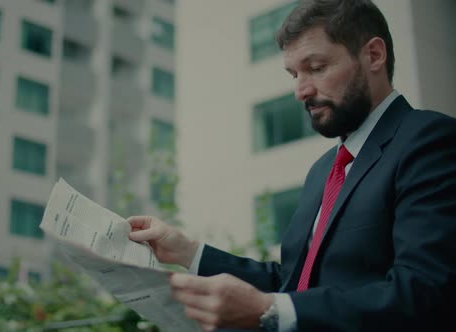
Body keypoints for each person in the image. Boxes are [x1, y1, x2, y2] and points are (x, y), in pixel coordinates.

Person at [127, 0, 456, 331]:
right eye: (294, 74)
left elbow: (424, 294)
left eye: (316, 67)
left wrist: (270, 309)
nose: (301, 91)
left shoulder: (430, 141)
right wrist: (188, 251)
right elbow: (293, 283)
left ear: (373, 55)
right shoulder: (322, 172)